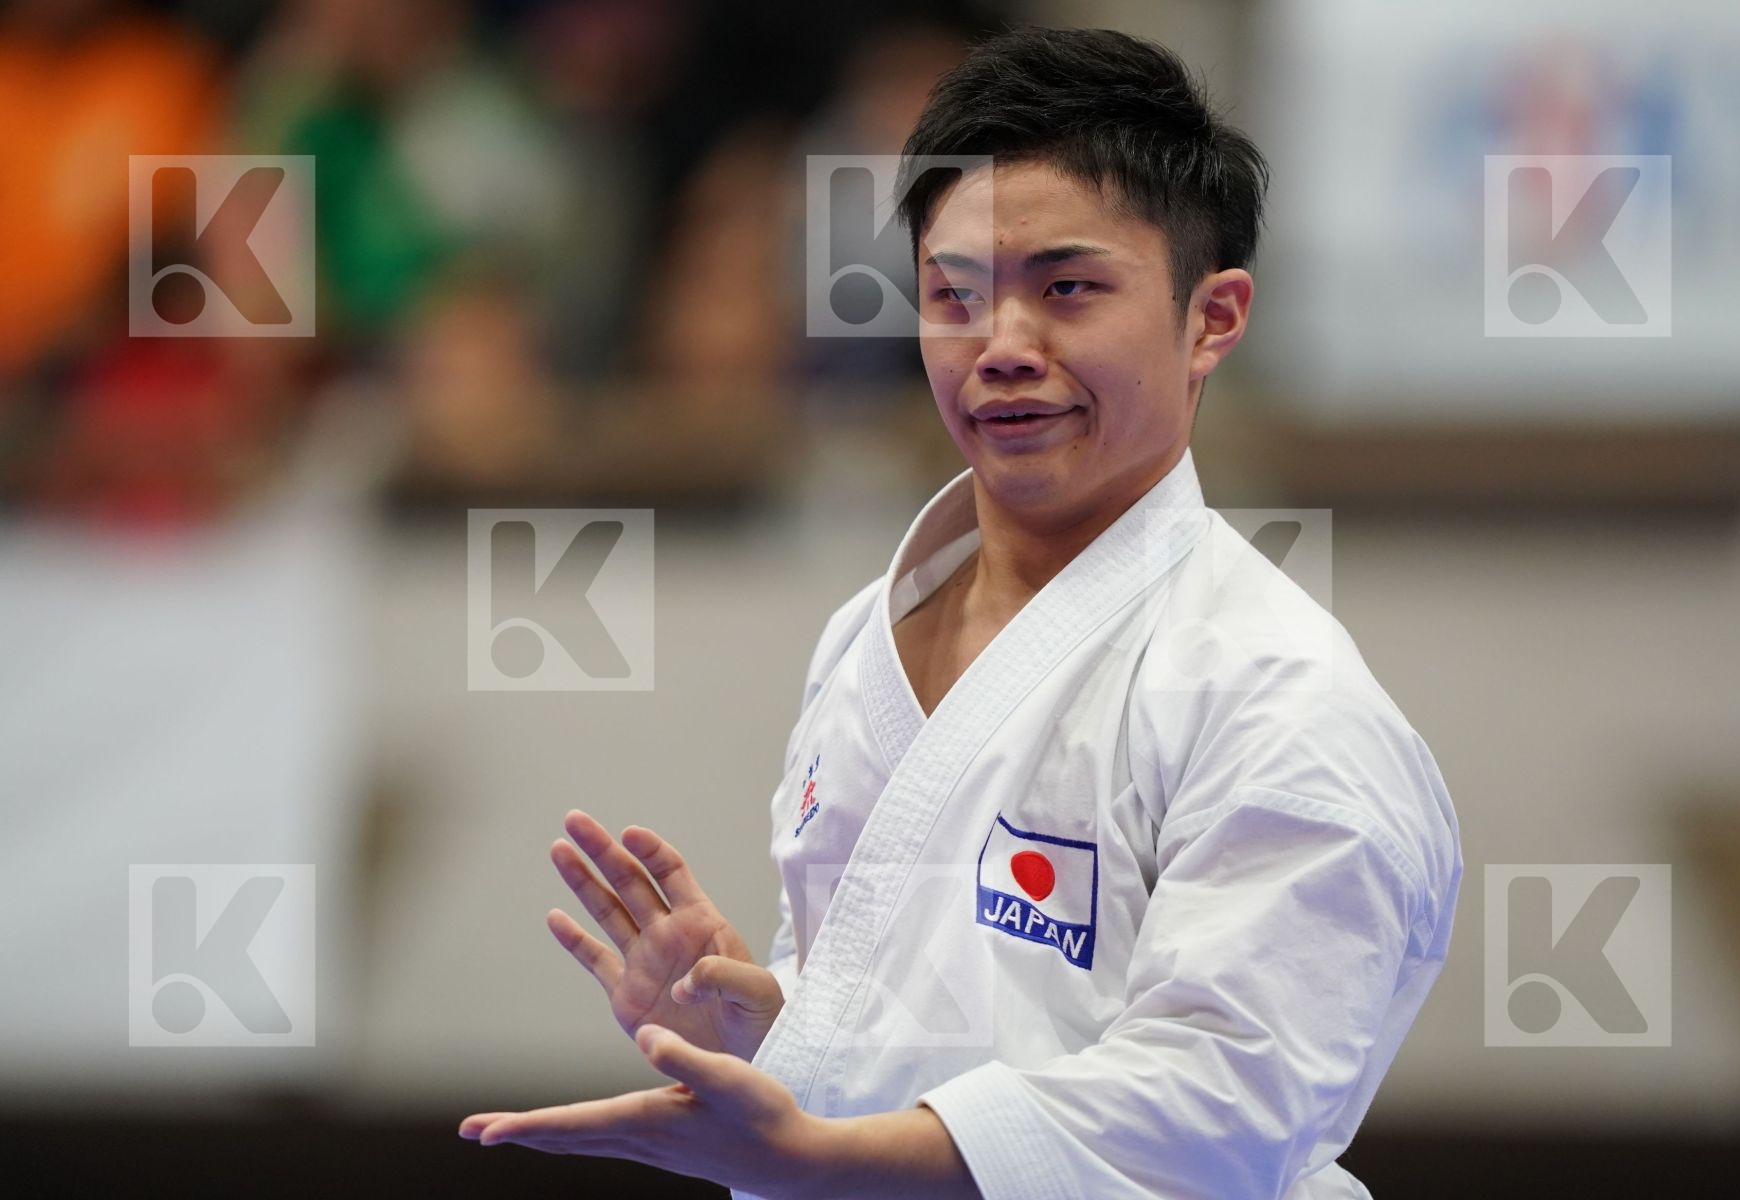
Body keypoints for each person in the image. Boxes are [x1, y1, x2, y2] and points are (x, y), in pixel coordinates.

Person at [460, 27, 1463, 1200]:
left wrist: (825, 1160)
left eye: (1068, 289)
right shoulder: (862, 639)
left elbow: (1219, 1110)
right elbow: (931, 1036)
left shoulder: (1278, 697)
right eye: (956, 296)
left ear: (1214, 318)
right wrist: (762, 1021)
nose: (1002, 349)